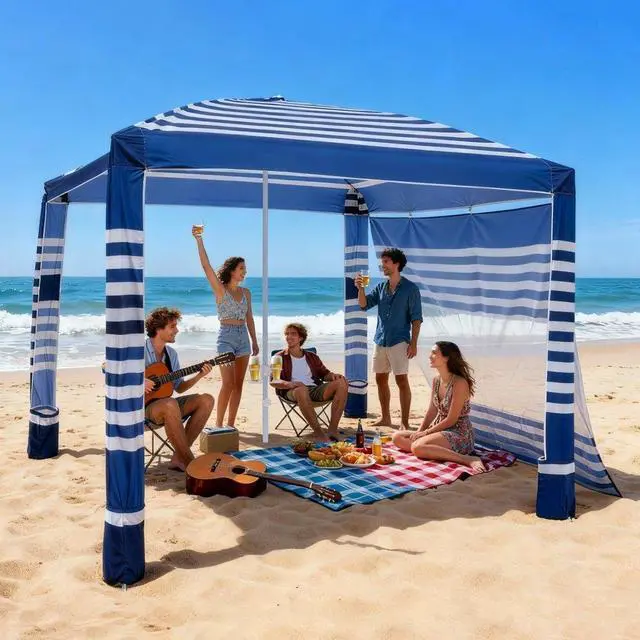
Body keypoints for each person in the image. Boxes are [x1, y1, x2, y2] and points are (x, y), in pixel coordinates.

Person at [193, 226, 259, 429]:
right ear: (232, 270)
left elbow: (249, 318)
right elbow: (206, 266)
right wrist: (199, 239)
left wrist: (255, 341)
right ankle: (219, 424)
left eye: (245, 269)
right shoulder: (220, 289)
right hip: (226, 338)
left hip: (243, 338)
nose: (245, 272)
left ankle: (230, 425)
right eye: (241, 268)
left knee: (238, 385)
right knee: (228, 384)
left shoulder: (246, 292)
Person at [392, 341, 486, 472]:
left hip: (458, 433)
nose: (430, 356)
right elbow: (432, 410)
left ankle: (467, 459)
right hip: (438, 429)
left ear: (446, 358)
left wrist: (426, 433)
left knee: (417, 447)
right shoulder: (436, 380)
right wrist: (419, 431)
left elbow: (451, 419)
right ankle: (432, 449)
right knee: (397, 437)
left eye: (434, 353)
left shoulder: (459, 382)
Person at [356, 247, 423, 429]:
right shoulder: (381, 287)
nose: (382, 265)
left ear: (396, 263)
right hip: (380, 340)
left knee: (401, 380)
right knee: (380, 379)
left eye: (386, 262)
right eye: (382, 262)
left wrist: (414, 343)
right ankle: (385, 418)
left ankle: (404, 422)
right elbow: (364, 305)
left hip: (399, 341)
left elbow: (416, 319)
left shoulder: (411, 289)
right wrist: (361, 288)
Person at [144, 307, 214, 471]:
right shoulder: (137, 350)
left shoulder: (171, 355)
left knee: (206, 400)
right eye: (172, 326)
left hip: (168, 406)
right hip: (141, 410)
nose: (177, 330)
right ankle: (190, 463)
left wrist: (199, 376)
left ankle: (178, 458)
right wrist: (139, 380)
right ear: (158, 329)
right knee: (170, 404)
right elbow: (108, 366)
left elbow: (179, 388)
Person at [270, 323, 348, 442]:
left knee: (342, 382)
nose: (289, 337)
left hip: (314, 389)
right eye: (287, 334)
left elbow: (324, 374)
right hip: (292, 390)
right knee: (301, 390)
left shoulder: (311, 356)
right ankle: (319, 433)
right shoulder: (278, 357)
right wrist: (290, 384)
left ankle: (332, 430)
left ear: (301, 338)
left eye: (293, 334)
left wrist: (333, 376)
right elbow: (273, 380)